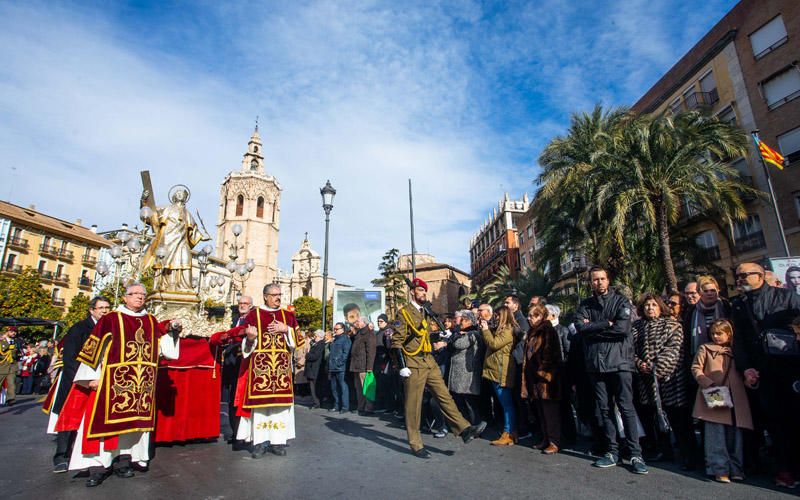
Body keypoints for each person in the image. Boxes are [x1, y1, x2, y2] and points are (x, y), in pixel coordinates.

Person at [56, 283, 180, 487]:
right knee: (107, 427)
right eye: (135, 294)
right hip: (114, 383)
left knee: (132, 428)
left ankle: (124, 462)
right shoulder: (111, 319)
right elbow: (93, 348)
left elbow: (165, 349)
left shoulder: (150, 320)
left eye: (143, 295)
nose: (140, 298)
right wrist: (91, 378)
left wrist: (173, 332)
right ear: (125, 297)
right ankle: (101, 466)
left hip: (141, 386)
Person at [391, 278, 486, 458]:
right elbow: (396, 342)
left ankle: (464, 429)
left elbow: (423, 337)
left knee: (444, 396)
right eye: (420, 290)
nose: (423, 294)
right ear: (412, 292)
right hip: (413, 362)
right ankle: (415, 443)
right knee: (413, 405)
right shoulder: (404, 313)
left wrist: (438, 336)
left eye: (425, 291)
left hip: (429, 361)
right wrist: (402, 366)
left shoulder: (426, 311)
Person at [730, 262, 800, 488]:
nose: (739, 280)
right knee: (774, 421)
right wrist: (746, 368)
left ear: (760, 276)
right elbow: (738, 340)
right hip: (761, 370)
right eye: (737, 276)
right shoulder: (739, 304)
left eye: (744, 275)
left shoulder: (787, 297)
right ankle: (784, 469)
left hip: (791, 367)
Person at [575, 265, 647, 474]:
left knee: (626, 407)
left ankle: (635, 453)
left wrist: (593, 328)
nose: (599, 282)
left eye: (602, 279)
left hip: (620, 363)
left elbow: (621, 330)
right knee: (604, 409)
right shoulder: (585, 305)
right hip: (596, 365)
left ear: (608, 280)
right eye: (595, 279)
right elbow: (580, 328)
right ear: (591, 282)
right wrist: (606, 323)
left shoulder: (621, 301)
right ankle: (612, 451)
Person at [236, 283, 303, 458]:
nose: (278, 298)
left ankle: (278, 442)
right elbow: (246, 346)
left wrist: (286, 329)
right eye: (274, 295)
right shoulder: (253, 315)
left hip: (281, 371)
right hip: (261, 371)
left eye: (279, 294)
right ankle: (259, 443)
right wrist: (250, 338)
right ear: (265, 296)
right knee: (260, 408)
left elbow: (300, 340)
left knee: (280, 408)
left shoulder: (288, 316)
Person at [44, 296, 110, 473]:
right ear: (92, 310)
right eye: (100, 307)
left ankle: (90, 455)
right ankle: (61, 456)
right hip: (77, 381)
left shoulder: (109, 329)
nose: (104, 311)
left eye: (107, 307)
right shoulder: (79, 328)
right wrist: (83, 380)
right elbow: (70, 358)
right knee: (69, 418)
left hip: (99, 381)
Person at [632, 293, 694, 467]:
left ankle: (687, 455)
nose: (650, 308)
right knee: (656, 418)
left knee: (678, 419)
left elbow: (674, 351)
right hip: (646, 381)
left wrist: (656, 369)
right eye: (646, 306)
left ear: (660, 307)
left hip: (671, 379)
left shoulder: (673, 326)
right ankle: (664, 451)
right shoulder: (637, 327)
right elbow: (631, 351)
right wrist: (640, 364)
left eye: (653, 305)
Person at [691, 319, 753, 483]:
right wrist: (707, 383)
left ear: (729, 334)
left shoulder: (736, 350)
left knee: (735, 433)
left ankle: (736, 468)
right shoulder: (705, 348)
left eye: (719, 333)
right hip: (715, 392)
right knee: (715, 432)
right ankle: (719, 468)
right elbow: (696, 368)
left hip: (736, 395)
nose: (716, 336)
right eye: (713, 333)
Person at [523, 304, 562, 455]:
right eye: (530, 315)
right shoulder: (533, 331)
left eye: (534, 316)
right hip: (534, 378)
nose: (530, 318)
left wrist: (543, 373)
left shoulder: (547, 330)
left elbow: (551, 355)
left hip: (546, 380)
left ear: (542, 316)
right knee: (541, 411)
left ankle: (554, 441)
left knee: (550, 413)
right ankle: (546, 439)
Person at [481, 305, 518, 446]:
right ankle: (511, 431)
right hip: (496, 369)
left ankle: (508, 432)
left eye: (497, 315)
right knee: (505, 404)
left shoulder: (508, 330)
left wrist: (485, 330)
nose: (495, 318)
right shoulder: (501, 329)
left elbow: (494, 344)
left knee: (506, 404)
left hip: (501, 371)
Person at [448, 310, 483, 425]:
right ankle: (467, 425)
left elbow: (458, 344)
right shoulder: (466, 333)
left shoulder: (473, 333)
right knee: (462, 400)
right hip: (461, 374)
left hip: (467, 374)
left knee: (469, 401)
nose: (459, 322)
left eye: (462, 320)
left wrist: (456, 333)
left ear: (468, 321)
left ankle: (475, 425)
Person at [684, 275, 730, 359]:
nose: (710, 294)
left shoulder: (727, 307)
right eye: (706, 291)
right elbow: (687, 339)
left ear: (718, 291)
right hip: (701, 358)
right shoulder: (692, 312)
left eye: (713, 290)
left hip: (726, 355)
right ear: (700, 293)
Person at [349, 316, 377, 415]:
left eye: (358, 321)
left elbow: (371, 352)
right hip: (357, 365)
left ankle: (369, 408)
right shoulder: (359, 333)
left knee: (366, 388)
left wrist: (370, 367)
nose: (356, 322)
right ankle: (361, 407)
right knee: (359, 389)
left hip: (364, 366)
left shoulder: (369, 334)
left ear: (364, 323)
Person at [328, 322, 351, 413]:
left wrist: (339, 363)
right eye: (334, 329)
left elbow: (346, 354)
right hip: (333, 367)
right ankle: (336, 405)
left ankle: (345, 407)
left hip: (340, 368)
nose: (335, 330)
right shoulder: (335, 340)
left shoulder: (345, 339)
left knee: (343, 387)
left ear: (342, 329)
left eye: (337, 329)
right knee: (334, 388)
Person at [304, 330, 326, 409]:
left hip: (315, 369)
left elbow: (315, 356)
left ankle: (316, 403)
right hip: (313, 369)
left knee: (314, 387)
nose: (314, 337)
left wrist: (307, 355)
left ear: (320, 337)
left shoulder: (320, 344)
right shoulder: (317, 344)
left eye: (316, 336)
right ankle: (316, 402)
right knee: (313, 386)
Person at [0, 327, 19, 407]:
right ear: (7, 332)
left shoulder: (15, 342)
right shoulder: (2, 341)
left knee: (12, 383)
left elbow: (15, 353)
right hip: (2, 365)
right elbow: (3, 351)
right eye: (11, 332)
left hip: (12, 366)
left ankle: (11, 399)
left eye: (15, 332)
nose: (13, 333)